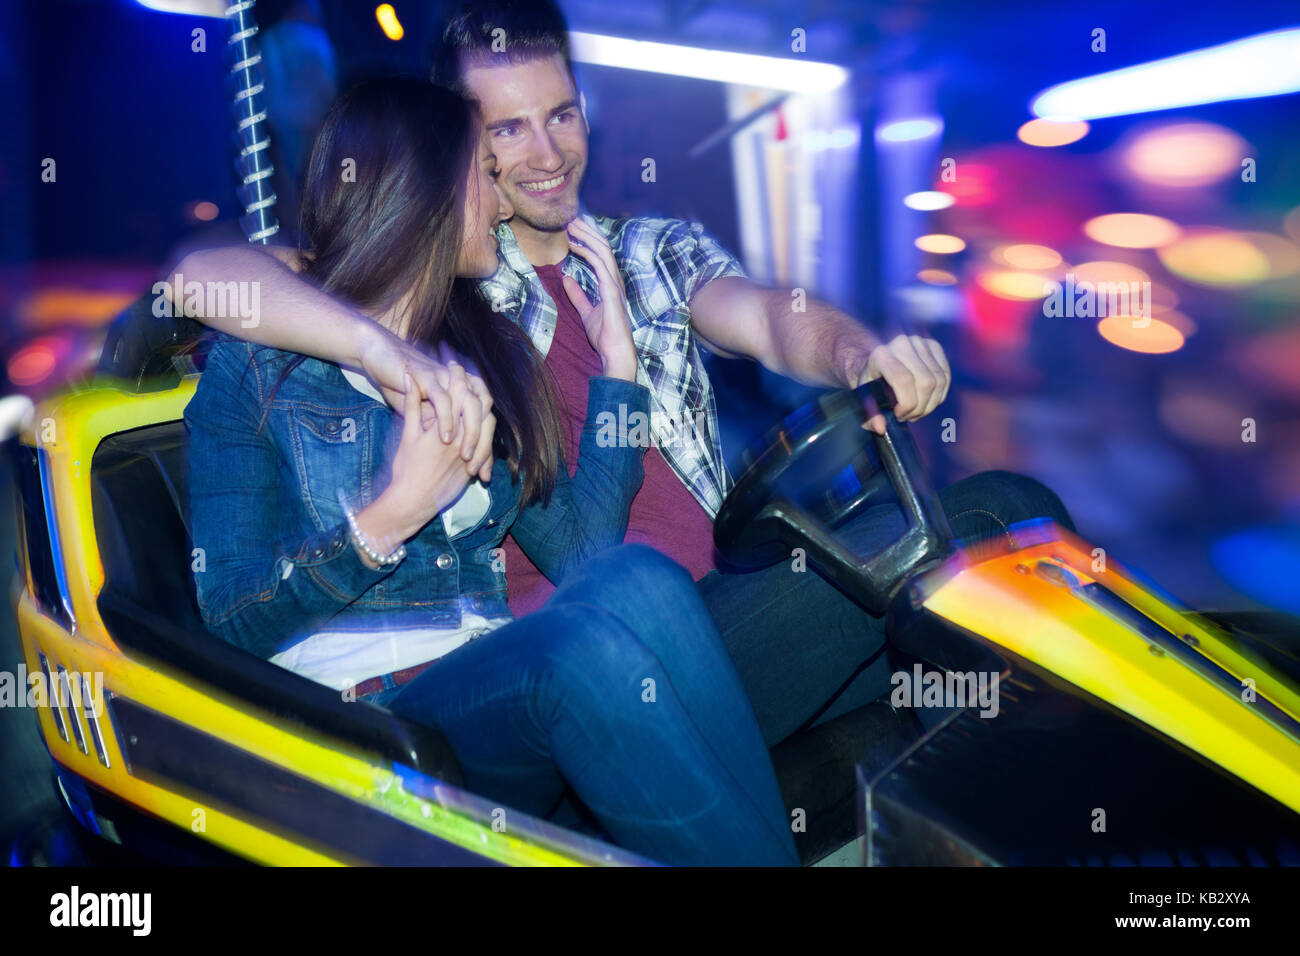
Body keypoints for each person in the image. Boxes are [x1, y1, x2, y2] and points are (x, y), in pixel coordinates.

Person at [172, 1, 1075, 751]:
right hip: (590, 656)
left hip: (725, 597)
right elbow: (209, 281)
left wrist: (858, 356)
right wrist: (384, 348)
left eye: (560, 114)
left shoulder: (645, 250)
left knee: (993, 604)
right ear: (460, 156)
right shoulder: (438, 302)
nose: (545, 153)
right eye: (507, 131)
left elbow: (767, 313)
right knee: (993, 520)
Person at [182, 76, 799, 866]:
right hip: (358, 725)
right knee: (574, 656)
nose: (503, 202)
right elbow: (229, 622)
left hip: (485, 691)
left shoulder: (490, 356)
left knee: (642, 581)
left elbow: (583, 557)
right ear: (429, 190)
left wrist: (618, 366)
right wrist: (388, 520)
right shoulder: (259, 366)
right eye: (484, 172)